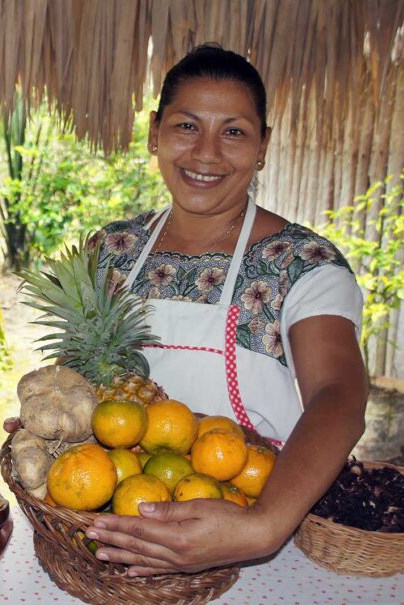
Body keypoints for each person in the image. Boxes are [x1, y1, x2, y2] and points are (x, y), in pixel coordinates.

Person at [79, 44, 368, 576]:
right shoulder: (111, 250)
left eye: (233, 131)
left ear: (263, 146)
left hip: (255, 535)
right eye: (187, 126)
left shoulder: (301, 262)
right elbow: (86, 378)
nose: (206, 154)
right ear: (154, 133)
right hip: (113, 532)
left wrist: (263, 526)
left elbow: (340, 394)